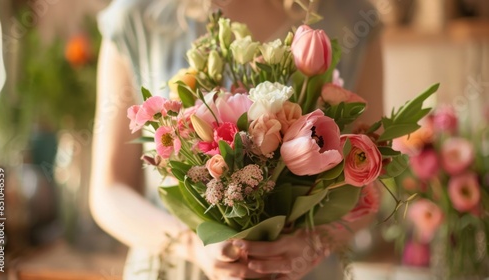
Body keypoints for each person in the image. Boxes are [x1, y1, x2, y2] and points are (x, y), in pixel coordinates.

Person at [90, 0, 383, 279]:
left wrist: (316, 242)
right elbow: (108, 189)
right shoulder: (138, 15)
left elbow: (372, 178)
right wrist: (191, 244)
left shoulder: (350, 17)